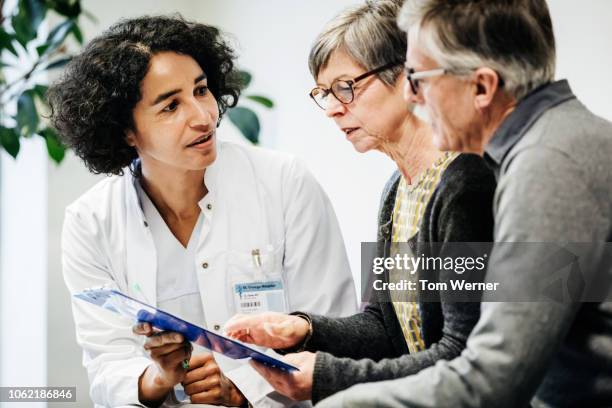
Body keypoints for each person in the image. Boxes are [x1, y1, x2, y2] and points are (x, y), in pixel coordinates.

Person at [314, 0, 612, 407]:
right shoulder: (551, 145)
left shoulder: (546, 165)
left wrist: (340, 400)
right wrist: (308, 331)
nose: (412, 95)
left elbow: (495, 375)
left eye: (419, 77)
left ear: (483, 86)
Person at [49, 15, 357, 408]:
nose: (202, 116)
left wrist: (242, 390)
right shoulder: (90, 222)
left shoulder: (283, 182)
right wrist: (159, 378)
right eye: (171, 106)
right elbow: (106, 363)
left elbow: (334, 330)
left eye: (201, 90)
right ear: (125, 130)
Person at [224, 0, 496, 404]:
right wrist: (303, 329)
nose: (333, 109)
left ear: (408, 77)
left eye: (345, 87)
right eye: (324, 93)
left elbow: (463, 352)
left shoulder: (464, 182)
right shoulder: (396, 190)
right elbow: (386, 329)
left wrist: (329, 375)